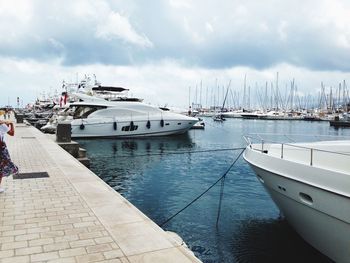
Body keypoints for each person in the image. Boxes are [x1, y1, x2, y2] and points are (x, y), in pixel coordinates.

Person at [0, 118, 18, 193]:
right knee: (1, 168)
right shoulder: (2, 125)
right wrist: (11, 124)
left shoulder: (2, 124)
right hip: (1, 149)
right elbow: (12, 133)